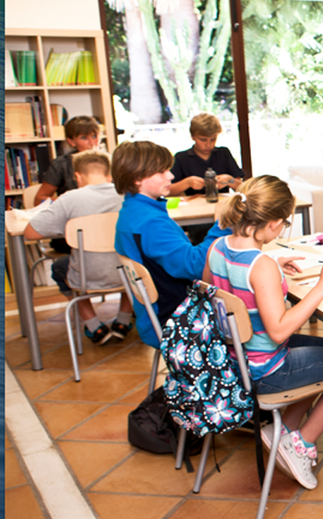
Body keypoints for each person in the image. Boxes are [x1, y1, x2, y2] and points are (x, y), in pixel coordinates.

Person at [203, 176, 323, 490]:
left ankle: (282, 429)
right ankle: (300, 445)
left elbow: (215, 292)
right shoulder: (260, 267)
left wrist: (271, 265)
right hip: (265, 369)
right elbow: (279, 330)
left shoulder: (217, 247)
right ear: (273, 224)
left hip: (235, 361)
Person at [113, 140, 231, 348]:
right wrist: (223, 224)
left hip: (156, 315)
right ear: (137, 178)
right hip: (176, 320)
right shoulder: (150, 222)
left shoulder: (131, 212)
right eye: (161, 171)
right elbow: (194, 265)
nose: (171, 176)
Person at [23, 150, 134, 344]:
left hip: (87, 275)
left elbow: (30, 233)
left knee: (60, 267)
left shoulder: (69, 199)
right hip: (130, 274)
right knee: (130, 258)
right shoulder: (129, 195)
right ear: (109, 175)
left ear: (78, 176)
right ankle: (123, 321)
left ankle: (94, 326)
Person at [169, 113, 244, 197]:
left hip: (221, 206)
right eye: (203, 140)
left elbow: (243, 189)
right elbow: (167, 191)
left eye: (213, 139)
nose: (208, 144)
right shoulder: (181, 158)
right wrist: (187, 183)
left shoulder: (224, 153)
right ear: (193, 136)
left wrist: (230, 180)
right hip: (192, 207)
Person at [34, 116, 102, 205]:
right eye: (84, 138)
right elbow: (38, 200)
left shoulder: (110, 161)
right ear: (71, 141)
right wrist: (69, 200)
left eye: (94, 136)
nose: (92, 143)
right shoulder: (61, 165)